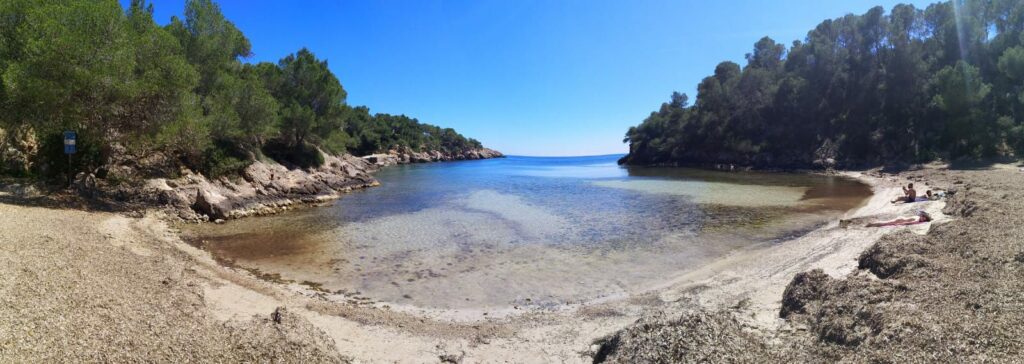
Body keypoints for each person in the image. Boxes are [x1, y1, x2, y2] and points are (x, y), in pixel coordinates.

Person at [866, 210, 932, 227]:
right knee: (886, 223)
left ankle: (872, 223)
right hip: (899, 220)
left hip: (901, 218)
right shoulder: (917, 220)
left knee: (886, 222)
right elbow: (907, 223)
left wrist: (929, 218)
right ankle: (871, 224)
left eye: (925, 219)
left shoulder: (918, 217)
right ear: (922, 216)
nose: (923, 219)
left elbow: (921, 213)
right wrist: (899, 224)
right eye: (924, 218)